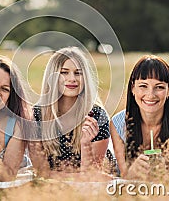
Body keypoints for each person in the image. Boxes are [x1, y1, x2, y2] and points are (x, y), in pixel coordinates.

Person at [110, 55, 169, 181]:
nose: (151, 95)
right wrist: (133, 171)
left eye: (159, 87)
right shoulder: (117, 124)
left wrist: (165, 174)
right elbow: (124, 176)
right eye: (143, 86)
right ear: (132, 88)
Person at [29, 47, 110, 179]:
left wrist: (85, 145)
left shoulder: (97, 115)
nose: (72, 79)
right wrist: (74, 178)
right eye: (64, 72)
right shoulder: (37, 114)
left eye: (78, 73)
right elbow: (41, 174)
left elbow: (91, 176)